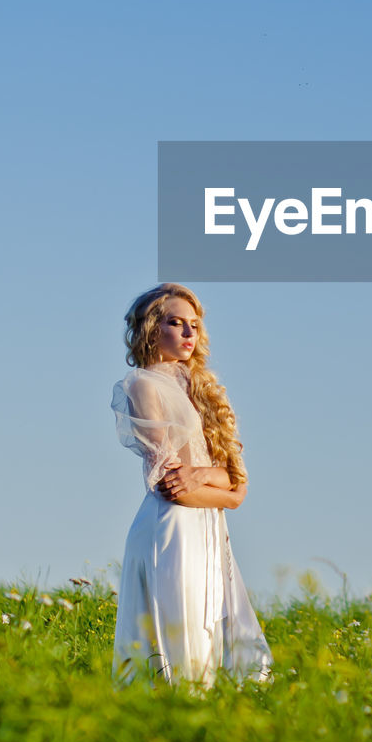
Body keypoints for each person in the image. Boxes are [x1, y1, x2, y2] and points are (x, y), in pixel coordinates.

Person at [111, 283, 273, 687]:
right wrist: (229, 493)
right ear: (152, 329)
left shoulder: (200, 388)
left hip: (208, 527)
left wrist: (216, 484)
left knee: (215, 640)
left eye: (194, 325)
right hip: (172, 527)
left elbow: (230, 476)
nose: (187, 334)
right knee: (179, 647)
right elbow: (172, 487)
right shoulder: (144, 384)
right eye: (175, 323)